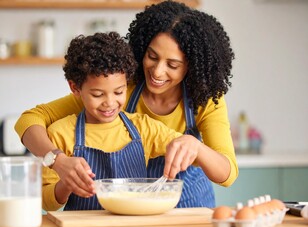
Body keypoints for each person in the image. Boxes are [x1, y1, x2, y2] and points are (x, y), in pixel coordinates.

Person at [15, 0, 238, 208]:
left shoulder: (204, 99)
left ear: (192, 66)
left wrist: (195, 146)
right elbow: (30, 120)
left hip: (189, 206)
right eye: (152, 56)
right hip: (129, 212)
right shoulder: (118, 90)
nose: (157, 71)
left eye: (172, 64)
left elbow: (227, 172)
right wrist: (57, 160)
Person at [43, 31, 201, 211]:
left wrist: (191, 143)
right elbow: (47, 202)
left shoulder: (144, 127)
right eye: (97, 94)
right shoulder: (60, 133)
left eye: (119, 92)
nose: (110, 102)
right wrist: (67, 184)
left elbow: (196, 155)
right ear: (75, 88)